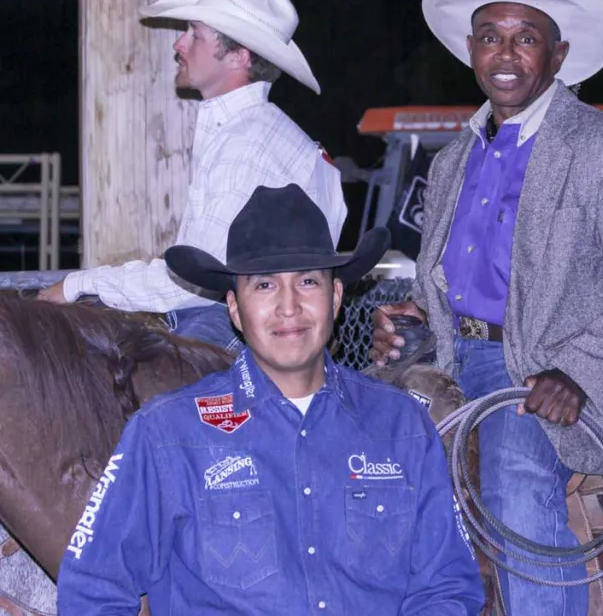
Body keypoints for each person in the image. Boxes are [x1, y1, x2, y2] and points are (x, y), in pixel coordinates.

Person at [371, 0, 603, 615]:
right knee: (351, 454)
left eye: (526, 37)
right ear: (471, 49)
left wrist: (573, 370)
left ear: (558, 53)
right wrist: (418, 317)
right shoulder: (455, 157)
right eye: (491, 36)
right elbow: (460, 282)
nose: (505, 53)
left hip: (539, 376)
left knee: (516, 481)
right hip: (455, 359)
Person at [55, 183, 484, 615]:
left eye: (308, 281)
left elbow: (446, 587)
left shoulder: (402, 427)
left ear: (335, 298)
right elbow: (93, 587)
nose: (289, 307)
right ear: (235, 308)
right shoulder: (167, 435)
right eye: (264, 286)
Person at [38, 0, 346, 355]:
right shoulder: (266, 134)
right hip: (263, 323)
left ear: (238, 55)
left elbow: (194, 279)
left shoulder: (245, 145)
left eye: (194, 34)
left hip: (237, 325)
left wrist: (77, 286)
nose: (179, 45)